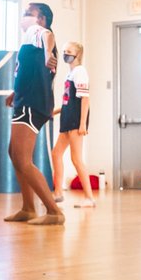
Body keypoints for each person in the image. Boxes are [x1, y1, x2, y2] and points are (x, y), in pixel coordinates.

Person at [4, 2, 64, 226]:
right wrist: (15, 91)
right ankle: (28, 208)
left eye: (29, 13)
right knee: (14, 153)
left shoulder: (37, 32)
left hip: (32, 103)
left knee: (22, 158)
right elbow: (31, 72)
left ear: (41, 20)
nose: (25, 17)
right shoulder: (29, 39)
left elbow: (48, 36)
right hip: (26, 99)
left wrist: (49, 51)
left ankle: (54, 211)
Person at [51, 42, 96, 207]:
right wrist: (54, 112)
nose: (65, 54)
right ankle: (58, 193)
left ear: (77, 54)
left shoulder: (80, 71)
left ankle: (89, 197)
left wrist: (83, 124)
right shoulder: (70, 73)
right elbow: (68, 101)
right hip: (67, 118)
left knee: (76, 159)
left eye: (68, 51)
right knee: (56, 153)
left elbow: (85, 98)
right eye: (64, 51)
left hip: (76, 121)